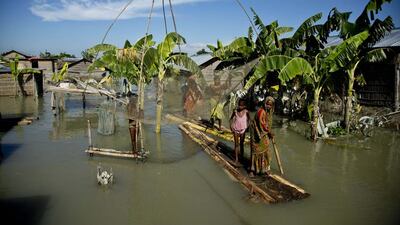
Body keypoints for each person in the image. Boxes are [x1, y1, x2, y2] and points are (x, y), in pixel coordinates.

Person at [250, 96, 274, 175]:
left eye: (270, 105)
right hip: (257, 134)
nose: (269, 106)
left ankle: (263, 168)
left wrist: (269, 132)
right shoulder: (261, 111)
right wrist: (269, 132)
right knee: (256, 152)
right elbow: (262, 124)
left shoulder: (269, 113)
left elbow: (268, 124)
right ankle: (253, 170)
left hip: (264, 135)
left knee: (265, 151)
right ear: (265, 103)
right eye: (267, 104)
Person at [230, 99, 250, 166]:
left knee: (241, 144)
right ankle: (236, 159)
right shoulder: (235, 111)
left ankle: (241, 157)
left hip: (243, 130)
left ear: (244, 106)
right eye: (239, 105)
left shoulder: (246, 112)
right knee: (236, 144)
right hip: (235, 129)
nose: (240, 107)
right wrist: (231, 126)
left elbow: (249, 119)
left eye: (242, 105)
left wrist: (247, 127)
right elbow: (231, 119)